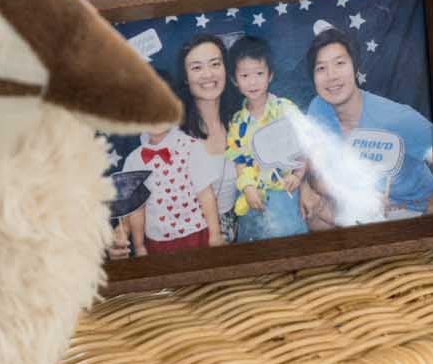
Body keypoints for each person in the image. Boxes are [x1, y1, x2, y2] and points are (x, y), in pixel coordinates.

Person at [302, 29, 433, 224]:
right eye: (321, 68)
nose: (331, 76)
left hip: (409, 208)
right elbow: (317, 170)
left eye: (340, 63)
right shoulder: (318, 107)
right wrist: (305, 187)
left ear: (355, 67)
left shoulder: (397, 118)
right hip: (360, 202)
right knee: (313, 216)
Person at [225, 36, 308, 241]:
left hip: (284, 194)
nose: (252, 82)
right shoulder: (237, 121)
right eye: (245, 75)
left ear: (270, 75)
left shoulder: (285, 108)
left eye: (259, 73)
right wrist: (248, 187)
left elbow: (304, 147)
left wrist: (297, 176)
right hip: (252, 197)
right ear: (235, 79)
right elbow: (238, 160)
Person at [175, 34, 242, 245]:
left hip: (239, 232)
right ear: (185, 77)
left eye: (215, 64)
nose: (208, 74)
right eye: (196, 68)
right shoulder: (173, 133)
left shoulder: (241, 120)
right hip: (189, 237)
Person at [120, 119, 223, 255]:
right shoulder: (134, 160)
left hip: (196, 233)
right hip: (157, 242)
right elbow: (137, 209)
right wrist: (139, 246)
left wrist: (215, 234)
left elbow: (205, 194)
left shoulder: (191, 146)